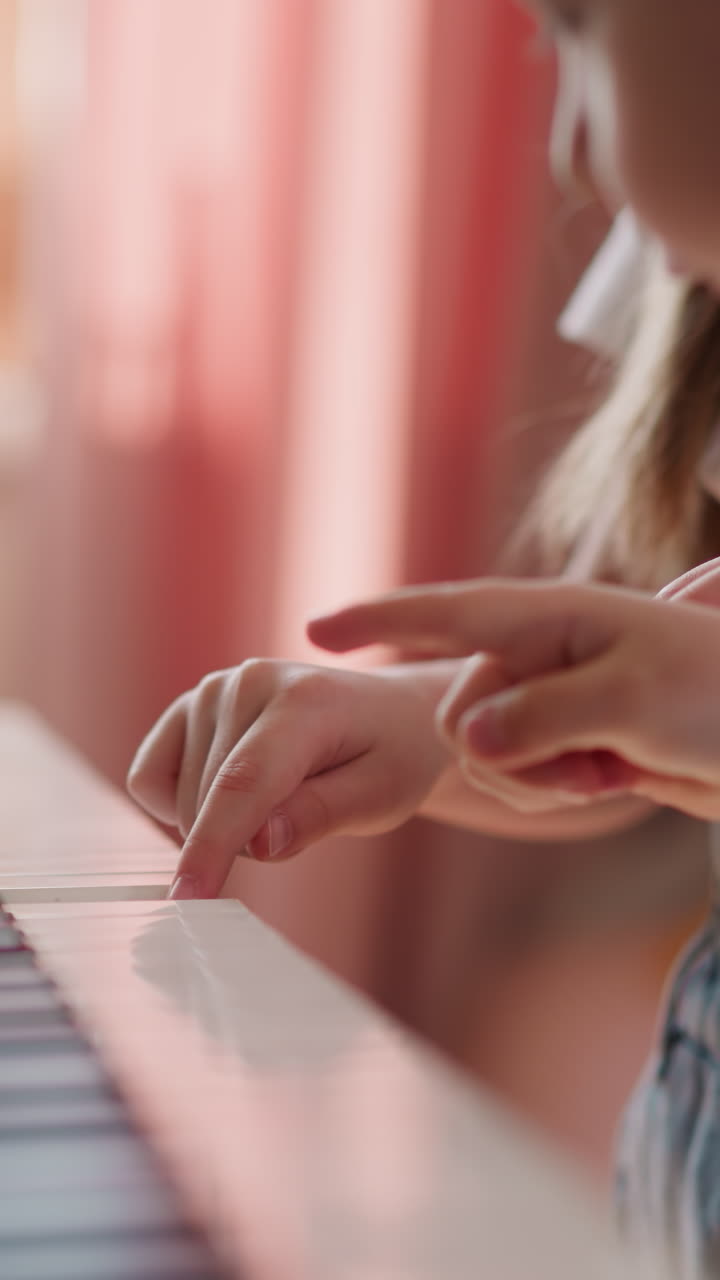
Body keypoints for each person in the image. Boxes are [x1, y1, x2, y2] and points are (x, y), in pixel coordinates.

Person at [127, 0, 720, 1272]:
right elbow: (656, 691)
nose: (568, 147)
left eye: (581, 28)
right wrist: (416, 724)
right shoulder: (692, 296)